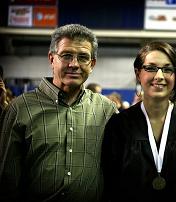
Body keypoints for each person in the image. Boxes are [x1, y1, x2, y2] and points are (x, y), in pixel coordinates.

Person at [0, 24, 118, 201]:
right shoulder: (19, 109)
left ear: (92, 64)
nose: (74, 64)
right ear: (51, 59)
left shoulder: (106, 110)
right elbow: (7, 181)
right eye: (66, 55)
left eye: (83, 57)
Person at [101, 41, 176, 202]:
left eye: (167, 69)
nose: (159, 76)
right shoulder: (119, 125)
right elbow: (110, 186)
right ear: (138, 73)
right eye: (151, 68)